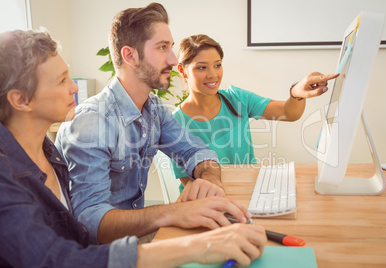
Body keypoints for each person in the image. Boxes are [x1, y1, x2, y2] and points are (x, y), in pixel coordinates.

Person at [0, 29, 267, 268]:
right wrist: (187, 238)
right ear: (21, 100)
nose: (74, 87)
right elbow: (60, 255)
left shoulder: (47, 152)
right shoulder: (86, 125)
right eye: (61, 80)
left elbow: (197, 150)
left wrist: (209, 180)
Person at [55, 3, 251, 245]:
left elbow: (197, 151)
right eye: (162, 48)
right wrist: (173, 212)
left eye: (171, 47)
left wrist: (209, 179)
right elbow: (91, 223)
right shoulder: (92, 122)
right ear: (130, 56)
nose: (173, 59)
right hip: (99, 253)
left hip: (134, 240)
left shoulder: (154, 110)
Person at [170, 34, 339, 191]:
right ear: (182, 70)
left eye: (217, 65)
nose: (213, 74)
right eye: (201, 67)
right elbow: (193, 186)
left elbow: (288, 113)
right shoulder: (175, 124)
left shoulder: (237, 99)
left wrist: (296, 93)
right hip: (207, 202)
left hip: (250, 190)